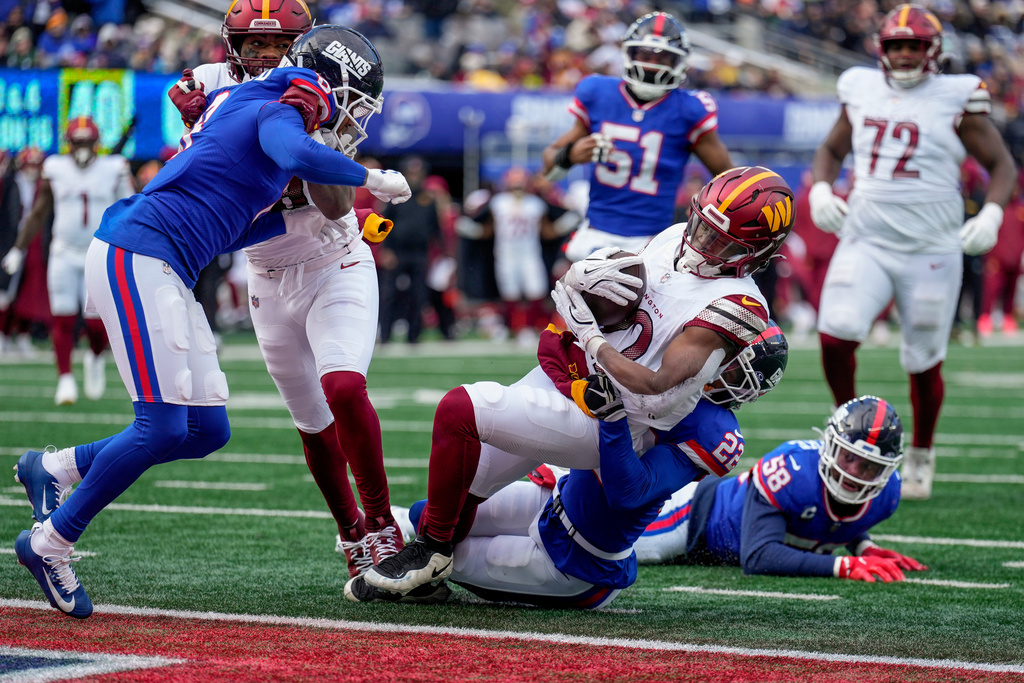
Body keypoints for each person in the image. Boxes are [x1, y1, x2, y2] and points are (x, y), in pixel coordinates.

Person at [11, 25, 412, 620]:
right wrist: (372, 180)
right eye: (349, 101)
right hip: (141, 253)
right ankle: (50, 542)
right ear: (324, 85)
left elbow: (236, 218)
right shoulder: (284, 100)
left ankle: (54, 466)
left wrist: (310, 222)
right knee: (161, 427)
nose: (352, 117)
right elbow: (296, 150)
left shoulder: (239, 99)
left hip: (171, 262)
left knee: (205, 431)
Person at [358, 166, 794, 597]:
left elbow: (655, 386)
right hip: (574, 377)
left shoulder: (738, 306)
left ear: (755, 253)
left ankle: (431, 553)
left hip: (608, 414)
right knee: (454, 498)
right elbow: (623, 293)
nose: (698, 241)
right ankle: (425, 553)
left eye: (718, 241)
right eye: (700, 224)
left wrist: (588, 334)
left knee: (461, 409)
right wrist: (589, 279)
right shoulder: (673, 236)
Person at [170, 9, 408, 575]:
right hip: (266, 274)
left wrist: (317, 138)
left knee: (345, 388)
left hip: (334, 259)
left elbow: (336, 206)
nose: (265, 55)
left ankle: (381, 525)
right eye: (254, 43)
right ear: (233, 45)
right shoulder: (207, 87)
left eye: (280, 44)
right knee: (312, 423)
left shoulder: (320, 88)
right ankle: (350, 532)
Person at [346, 322, 789, 605]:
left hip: (578, 561)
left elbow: (626, 492)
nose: (705, 363)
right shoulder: (654, 357)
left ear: (741, 384)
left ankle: (427, 586)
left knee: (442, 559)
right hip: (552, 502)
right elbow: (556, 349)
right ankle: (398, 536)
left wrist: (612, 415)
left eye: (725, 366)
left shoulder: (713, 431)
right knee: (434, 519)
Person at [807, 4, 1018, 500]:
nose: (904, 55)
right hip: (868, 237)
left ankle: (921, 451)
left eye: (914, 46)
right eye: (896, 45)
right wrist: (820, 188)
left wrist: (991, 213)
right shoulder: (859, 87)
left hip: (931, 248)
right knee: (835, 336)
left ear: (933, 52)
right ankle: (848, 426)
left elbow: (1002, 164)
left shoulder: (956, 96)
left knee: (923, 360)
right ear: (881, 50)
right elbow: (831, 149)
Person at [634, 396, 928, 583]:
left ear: (886, 470)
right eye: (848, 457)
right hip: (690, 519)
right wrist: (845, 565)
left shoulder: (887, 495)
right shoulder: (792, 470)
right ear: (831, 446)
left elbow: (833, 519)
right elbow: (760, 555)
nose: (853, 472)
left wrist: (864, 547)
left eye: (868, 466)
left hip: (712, 536)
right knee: (607, 551)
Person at [541, 11, 733, 262]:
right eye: (644, 55)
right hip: (595, 233)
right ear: (628, 54)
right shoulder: (598, 92)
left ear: (679, 62)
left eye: (663, 57)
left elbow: (729, 180)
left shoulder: (690, 109)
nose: (651, 64)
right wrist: (569, 155)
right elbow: (549, 169)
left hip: (654, 240)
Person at [2, 117, 135, 405]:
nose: (83, 149)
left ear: (97, 144)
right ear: (69, 144)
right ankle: (64, 378)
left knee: (97, 324)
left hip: (98, 253)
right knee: (61, 317)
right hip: (64, 252)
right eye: (78, 142)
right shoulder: (56, 168)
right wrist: (18, 248)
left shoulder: (114, 168)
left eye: (87, 143)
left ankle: (96, 357)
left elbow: (132, 210)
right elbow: (39, 212)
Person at [483, 166, 556, 346]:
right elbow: (488, 229)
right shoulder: (498, 202)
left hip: (529, 253)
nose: (517, 188)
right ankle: (512, 327)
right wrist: (471, 229)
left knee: (535, 290)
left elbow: (546, 232)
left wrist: (564, 226)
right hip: (505, 253)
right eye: (514, 185)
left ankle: (530, 327)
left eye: (520, 185)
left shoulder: (535, 204)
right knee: (510, 293)